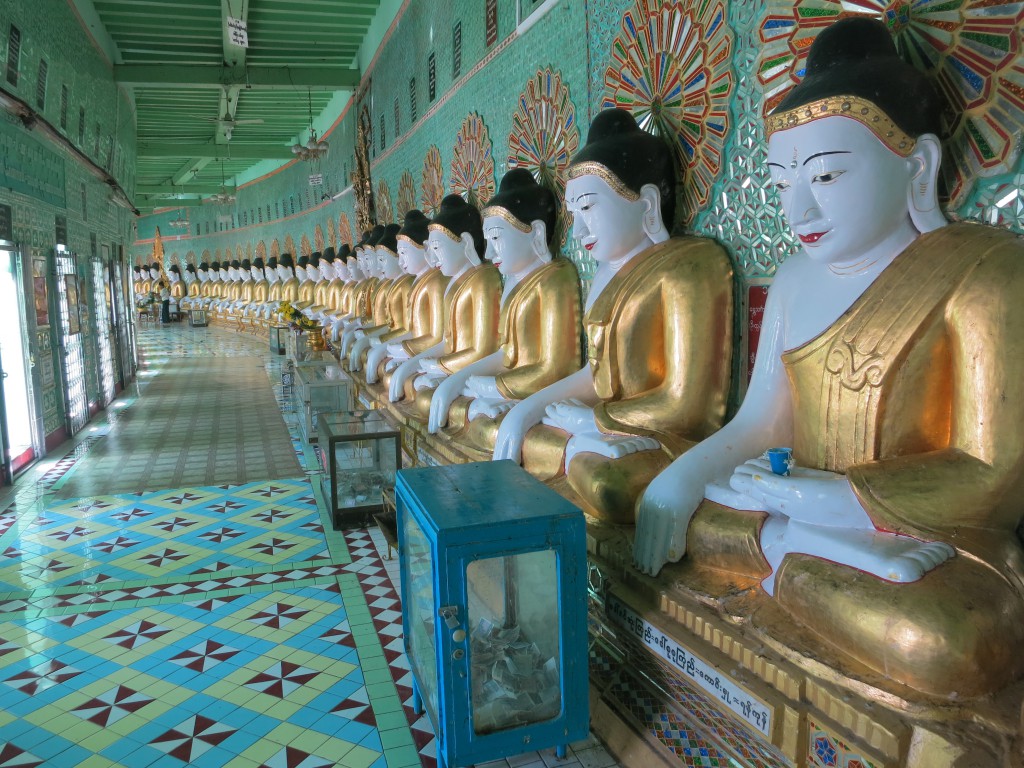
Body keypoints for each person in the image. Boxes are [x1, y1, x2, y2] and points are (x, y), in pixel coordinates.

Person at [634, 17, 1024, 698]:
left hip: (926, 539)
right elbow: (760, 424)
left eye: (828, 174)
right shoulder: (792, 279)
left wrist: (832, 499)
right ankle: (793, 548)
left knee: (948, 641)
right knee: (670, 504)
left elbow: (993, 474)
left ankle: (790, 549)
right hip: (796, 511)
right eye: (784, 182)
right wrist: (683, 478)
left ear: (918, 165)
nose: (799, 206)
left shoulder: (986, 272)